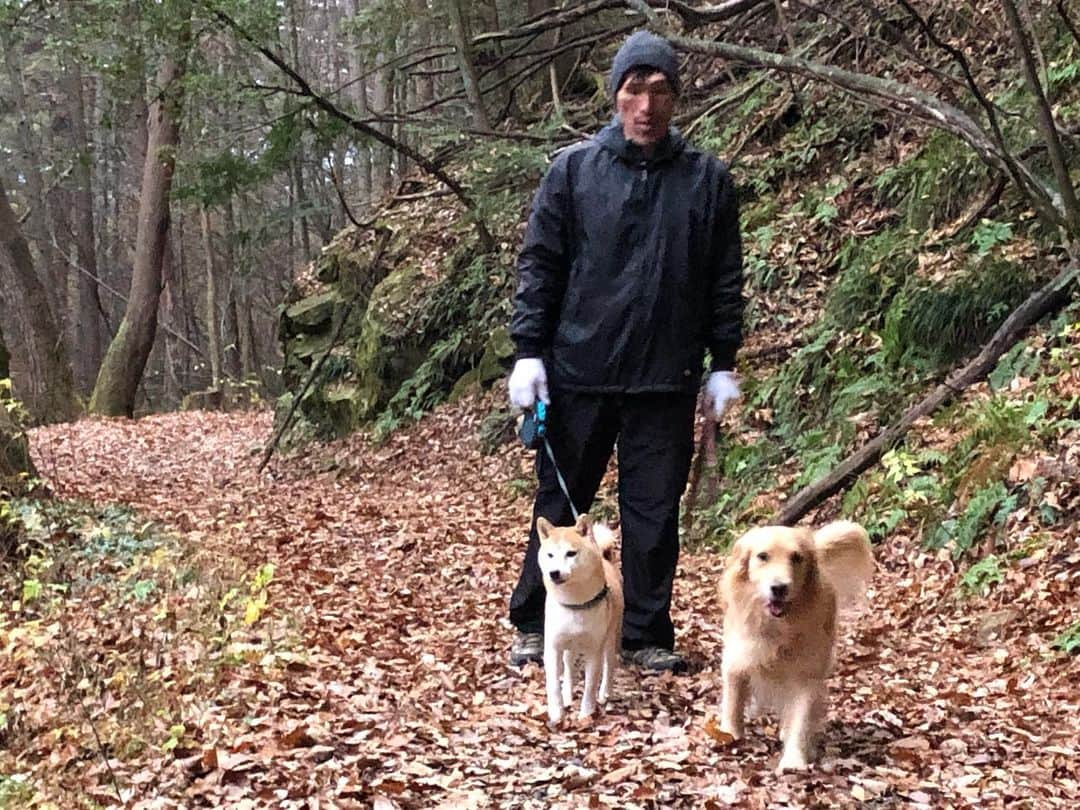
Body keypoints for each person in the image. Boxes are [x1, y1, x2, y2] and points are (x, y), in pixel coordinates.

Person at [505, 30, 745, 673]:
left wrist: (723, 360)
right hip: (578, 372)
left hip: (665, 379)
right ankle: (534, 620)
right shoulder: (574, 172)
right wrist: (529, 352)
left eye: (661, 92)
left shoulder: (707, 181)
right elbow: (541, 266)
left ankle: (644, 632)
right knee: (560, 508)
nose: (647, 105)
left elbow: (725, 277)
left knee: (653, 516)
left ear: (676, 100)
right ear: (615, 95)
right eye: (635, 90)